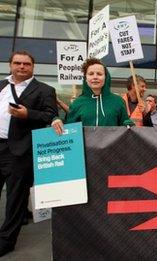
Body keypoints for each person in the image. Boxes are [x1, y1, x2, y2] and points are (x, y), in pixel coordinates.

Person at [0, 50, 58, 256]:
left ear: (33, 67)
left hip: (19, 150)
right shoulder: (2, 85)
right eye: (17, 63)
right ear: (10, 65)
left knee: (15, 199)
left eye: (26, 64)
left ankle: (6, 241)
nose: (22, 67)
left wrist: (27, 114)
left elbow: (51, 116)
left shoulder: (44, 90)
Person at [51, 58, 132, 134]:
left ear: (106, 77)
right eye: (91, 74)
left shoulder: (118, 101)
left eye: (99, 74)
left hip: (112, 148)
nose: (95, 77)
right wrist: (57, 120)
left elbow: (125, 128)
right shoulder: (77, 103)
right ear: (86, 78)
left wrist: (128, 124)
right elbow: (69, 130)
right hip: (85, 148)